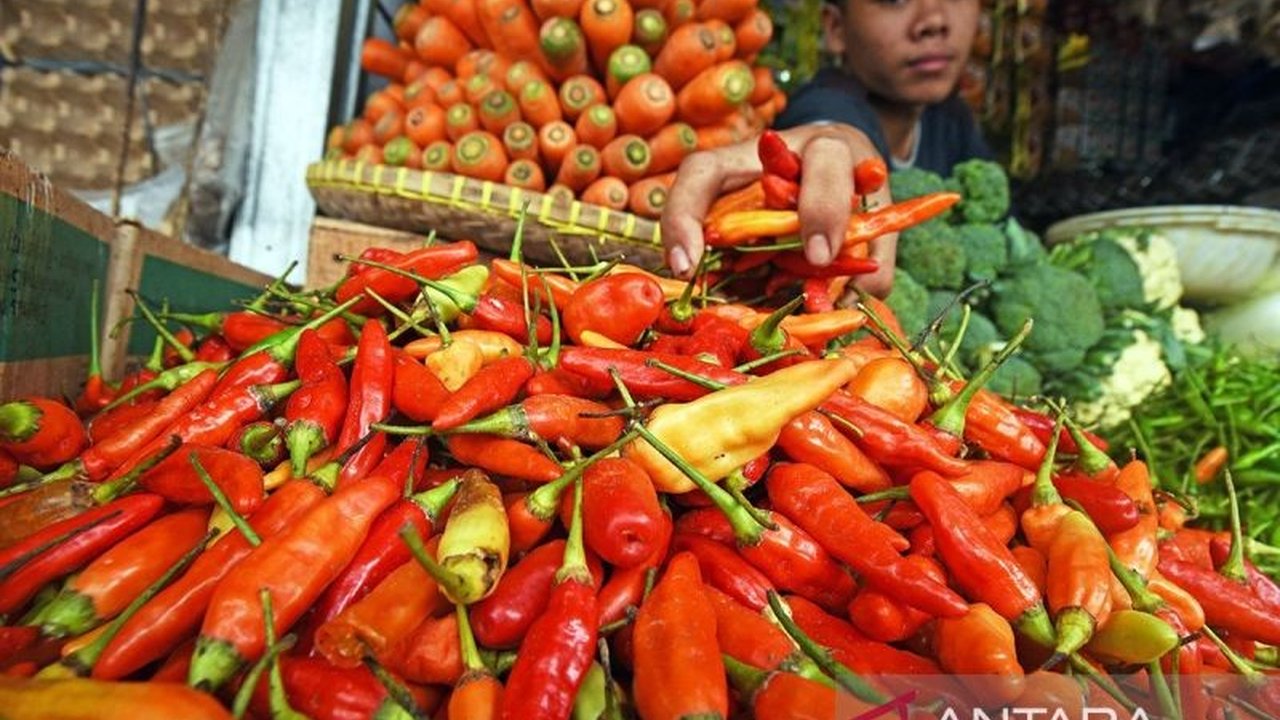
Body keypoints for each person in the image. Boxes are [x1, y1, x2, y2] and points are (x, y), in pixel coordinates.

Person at [661, 0, 986, 298]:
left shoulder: (952, 119)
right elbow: (830, 128)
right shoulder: (825, 101)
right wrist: (832, 139)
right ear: (835, 27)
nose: (934, 20)